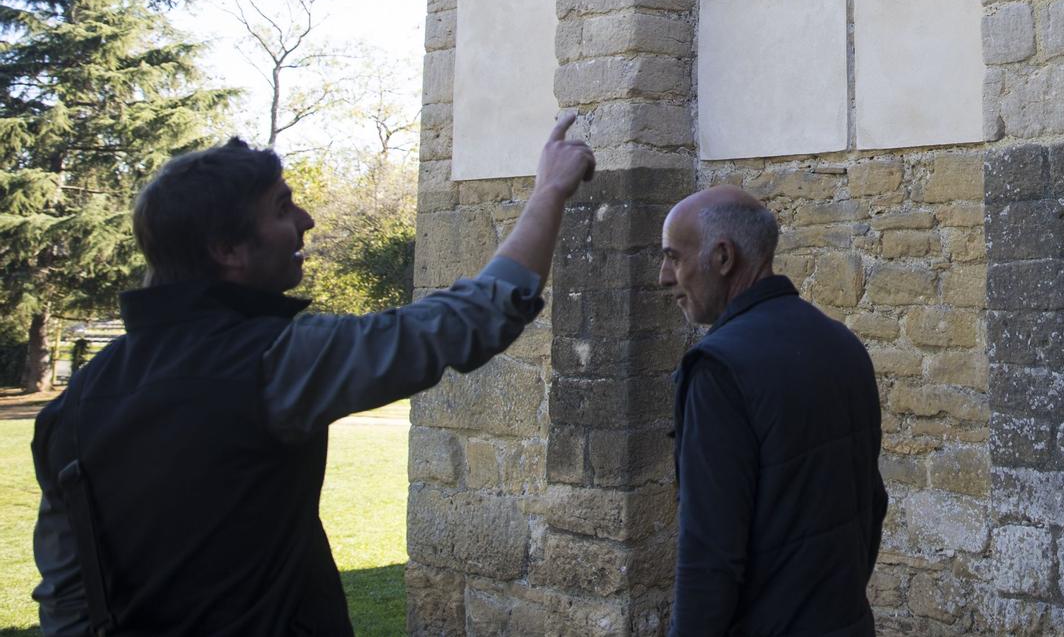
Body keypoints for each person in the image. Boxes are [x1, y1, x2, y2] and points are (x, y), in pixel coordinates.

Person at [31, 114, 597, 637]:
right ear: (226, 248)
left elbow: (67, 595)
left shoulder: (75, 402)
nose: (306, 220)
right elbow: (470, 319)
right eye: (282, 208)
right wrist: (549, 190)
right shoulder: (272, 361)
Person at [659, 185, 887, 637]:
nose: (664, 276)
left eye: (674, 257)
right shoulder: (842, 343)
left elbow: (709, 556)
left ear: (723, 258)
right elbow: (872, 506)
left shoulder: (718, 370)